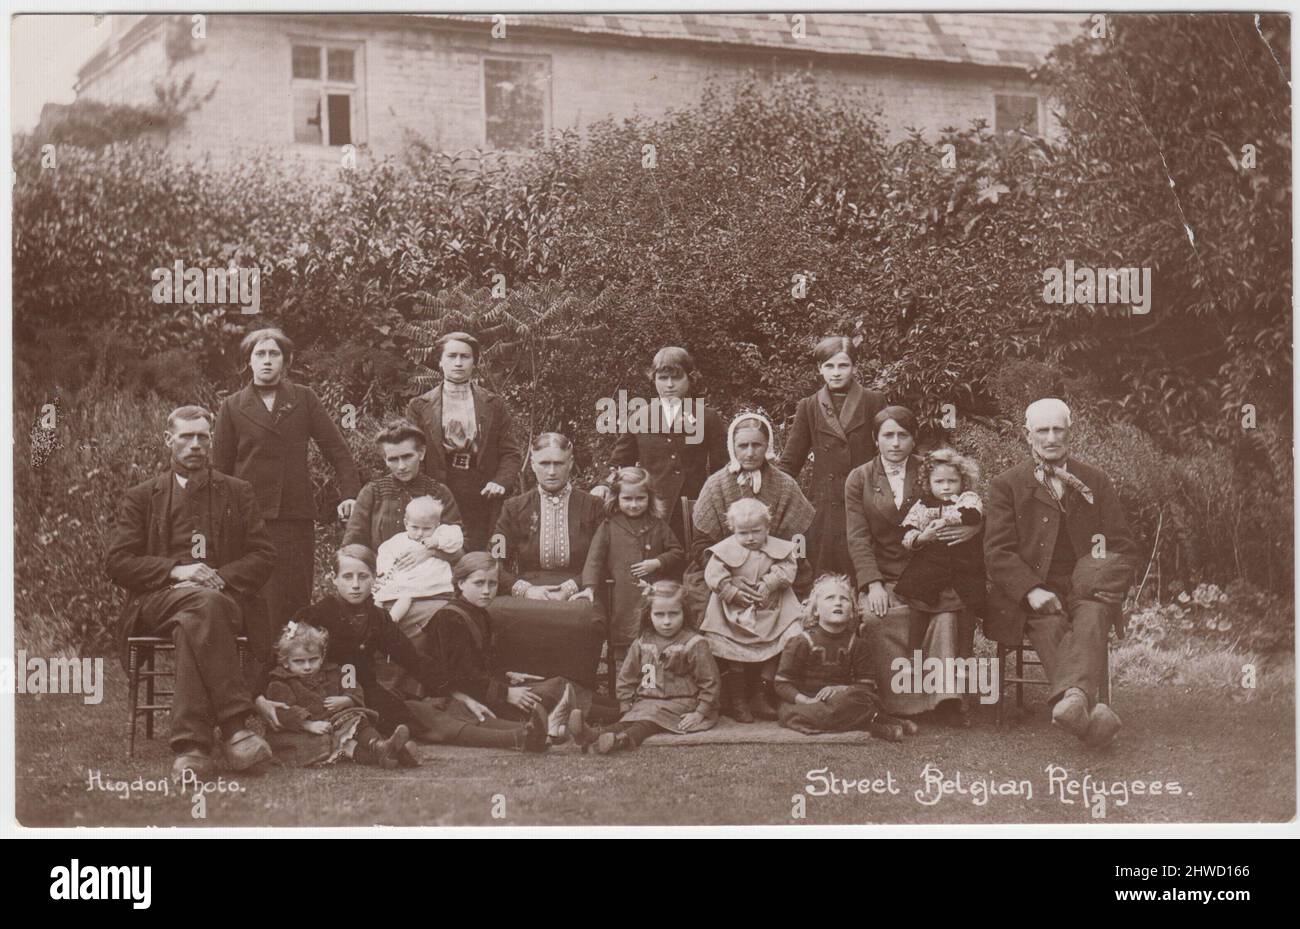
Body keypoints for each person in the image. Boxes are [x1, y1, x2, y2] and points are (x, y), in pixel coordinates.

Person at [106, 405, 279, 781]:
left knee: (197, 616)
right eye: (186, 436)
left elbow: (264, 554)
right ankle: (235, 727)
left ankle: (192, 746)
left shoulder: (238, 491)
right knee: (200, 608)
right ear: (169, 440)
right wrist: (177, 570)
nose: (195, 444)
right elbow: (118, 562)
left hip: (224, 598)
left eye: (203, 436)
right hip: (157, 601)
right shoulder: (142, 496)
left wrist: (218, 576)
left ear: (211, 440)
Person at [984, 398, 1137, 748]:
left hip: (1087, 586)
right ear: (1028, 436)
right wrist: (1031, 590)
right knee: (1050, 621)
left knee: (1094, 614)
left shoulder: (1095, 481)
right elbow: (997, 552)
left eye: (1058, 429)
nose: (1051, 437)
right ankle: (1085, 710)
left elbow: (1122, 544)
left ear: (1070, 432)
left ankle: (1073, 703)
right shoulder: (1007, 485)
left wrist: (1105, 581)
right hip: (1030, 590)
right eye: (1043, 430)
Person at [291, 545, 542, 754]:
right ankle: (517, 737)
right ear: (333, 579)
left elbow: (414, 660)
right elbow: (282, 658)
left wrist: (456, 693)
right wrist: (262, 700)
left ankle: (526, 732)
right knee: (426, 720)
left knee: (429, 710)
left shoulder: (378, 618)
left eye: (363, 576)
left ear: (375, 578)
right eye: (347, 577)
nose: (355, 585)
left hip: (367, 693)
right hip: (326, 697)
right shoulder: (314, 616)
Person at [213, 327, 361, 635]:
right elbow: (220, 469)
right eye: (260, 354)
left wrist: (349, 494)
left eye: (274, 354)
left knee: (295, 594)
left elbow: (338, 451)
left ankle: (296, 669)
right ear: (248, 362)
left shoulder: (304, 399)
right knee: (256, 595)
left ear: (286, 361)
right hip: (249, 517)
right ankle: (257, 673)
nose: (267, 361)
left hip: (294, 515)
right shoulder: (232, 406)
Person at [844, 405, 980, 724]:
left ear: (913, 439)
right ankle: (899, 703)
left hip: (933, 570)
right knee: (877, 619)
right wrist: (872, 583)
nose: (895, 443)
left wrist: (973, 526)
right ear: (875, 439)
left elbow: (966, 500)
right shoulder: (859, 478)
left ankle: (944, 699)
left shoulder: (931, 469)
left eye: (902, 435)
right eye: (887, 436)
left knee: (946, 615)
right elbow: (858, 537)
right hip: (886, 575)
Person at [429, 552, 602, 742]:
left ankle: (621, 715)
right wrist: (506, 693)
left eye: (492, 584)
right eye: (479, 583)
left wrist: (506, 675)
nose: (486, 590)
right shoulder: (451, 618)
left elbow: (479, 664)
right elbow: (460, 677)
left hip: (483, 689)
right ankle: (618, 717)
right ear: (461, 584)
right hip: (466, 698)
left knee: (563, 685)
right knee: (556, 688)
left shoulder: (479, 612)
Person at [491, 432, 611, 692]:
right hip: (529, 587)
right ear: (532, 464)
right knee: (496, 612)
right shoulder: (514, 507)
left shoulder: (593, 506)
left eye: (559, 463)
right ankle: (522, 688)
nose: (552, 471)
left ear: (571, 463)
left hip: (578, 587)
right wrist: (525, 589)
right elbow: (495, 559)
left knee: (586, 617)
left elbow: (603, 560)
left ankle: (575, 691)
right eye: (544, 463)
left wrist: (571, 588)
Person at [342, 420, 464, 648]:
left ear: (422, 452)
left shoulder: (438, 493)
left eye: (407, 456)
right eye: (392, 459)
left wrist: (430, 552)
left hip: (431, 589)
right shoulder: (372, 492)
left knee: (438, 623)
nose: (401, 466)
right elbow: (354, 544)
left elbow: (458, 549)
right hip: (384, 585)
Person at [593, 346, 728, 544]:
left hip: (693, 507)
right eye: (663, 378)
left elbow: (721, 467)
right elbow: (621, 462)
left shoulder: (707, 417)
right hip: (652, 508)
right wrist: (604, 485)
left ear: (690, 378)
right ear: (654, 380)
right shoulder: (639, 417)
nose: (670, 385)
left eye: (677, 377)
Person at [777, 336, 887, 577]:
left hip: (864, 499)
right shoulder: (809, 406)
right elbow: (790, 461)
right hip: (825, 504)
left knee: (862, 568)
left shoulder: (873, 401)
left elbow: (888, 452)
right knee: (824, 572)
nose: (836, 373)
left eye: (843, 365)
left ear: (855, 367)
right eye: (829, 366)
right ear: (819, 369)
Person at [893, 448, 987, 725]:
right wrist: (923, 536)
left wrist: (948, 517)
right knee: (917, 630)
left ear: (963, 482)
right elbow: (906, 534)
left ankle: (961, 700)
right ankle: (915, 684)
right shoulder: (921, 506)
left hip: (962, 580)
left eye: (952, 481)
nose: (946, 487)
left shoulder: (968, 500)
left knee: (964, 640)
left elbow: (972, 516)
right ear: (928, 483)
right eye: (939, 482)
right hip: (928, 579)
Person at [569, 580, 720, 754]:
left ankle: (622, 741)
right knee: (630, 719)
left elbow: (710, 682)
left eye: (674, 614)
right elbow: (627, 676)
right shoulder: (642, 642)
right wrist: (626, 702)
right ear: (649, 614)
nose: (667, 621)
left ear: (684, 613)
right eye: (660, 615)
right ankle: (592, 735)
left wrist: (700, 713)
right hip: (647, 700)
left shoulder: (694, 643)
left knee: (646, 722)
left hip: (683, 703)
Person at [405, 331, 523, 551]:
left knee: (477, 552)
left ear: (474, 362)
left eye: (465, 356)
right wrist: (421, 489)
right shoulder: (420, 406)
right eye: (451, 356)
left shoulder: (493, 404)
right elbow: (412, 453)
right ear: (440, 361)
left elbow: (510, 452)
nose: (458, 363)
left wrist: (500, 481)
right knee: (437, 548)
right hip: (439, 486)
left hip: (481, 489)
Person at [774, 574, 916, 741]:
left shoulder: (857, 644)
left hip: (844, 699)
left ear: (852, 612)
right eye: (829, 598)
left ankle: (870, 720)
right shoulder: (800, 642)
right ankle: (876, 726)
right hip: (809, 703)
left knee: (861, 701)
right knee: (792, 715)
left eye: (844, 599)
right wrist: (805, 701)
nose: (838, 602)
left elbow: (866, 684)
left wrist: (840, 690)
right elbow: (782, 684)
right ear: (815, 610)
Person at [700, 498, 802, 722]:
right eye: (742, 533)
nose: (750, 538)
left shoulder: (779, 547)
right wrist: (731, 592)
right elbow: (713, 575)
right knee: (730, 643)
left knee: (790, 633)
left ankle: (761, 691)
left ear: (767, 527)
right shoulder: (725, 549)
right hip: (733, 612)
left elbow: (787, 568)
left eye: (756, 531)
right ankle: (738, 699)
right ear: (733, 530)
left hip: (772, 608)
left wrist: (770, 583)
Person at [577, 466, 684, 670]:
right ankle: (625, 692)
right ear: (616, 498)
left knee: (652, 646)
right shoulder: (609, 525)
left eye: (640, 498)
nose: (634, 505)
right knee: (624, 648)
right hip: (621, 599)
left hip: (652, 598)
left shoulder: (657, 524)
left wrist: (657, 562)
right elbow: (594, 560)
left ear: (649, 498)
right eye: (627, 499)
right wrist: (589, 587)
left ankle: (648, 690)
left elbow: (677, 552)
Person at [263, 622, 411, 768]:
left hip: (335, 722)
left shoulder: (336, 671)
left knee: (357, 719)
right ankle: (390, 754)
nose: (307, 667)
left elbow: (353, 686)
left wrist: (347, 699)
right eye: (299, 662)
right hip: (304, 730)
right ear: (286, 662)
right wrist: (308, 724)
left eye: (313, 659)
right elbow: (284, 711)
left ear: (322, 657)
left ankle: (379, 745)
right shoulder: (280, 682)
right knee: (344, 746)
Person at [374, 495, 463, 623]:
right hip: (403, 579)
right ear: (406, 524)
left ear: (437, 525)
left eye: (427, 528)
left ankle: (392, 619)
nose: (420, 533)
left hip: (430, 582)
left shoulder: (440, 534)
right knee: (379, 595)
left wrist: (437, 542)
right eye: (415, 527)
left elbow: (456, 538)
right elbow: (385, 555)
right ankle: (377, 616)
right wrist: (385, 571)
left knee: (406, 596)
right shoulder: (397, 541)